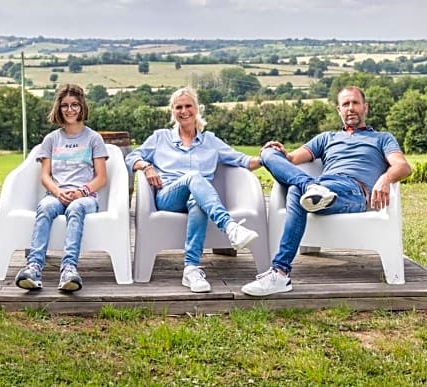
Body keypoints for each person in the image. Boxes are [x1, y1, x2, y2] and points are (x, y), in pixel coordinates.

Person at [241, 85, 412, 297]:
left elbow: (403, 166)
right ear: (338, 110)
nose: (350, 108)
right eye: (345, 104)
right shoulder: (326, 138)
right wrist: (277, 152)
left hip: (352, 190)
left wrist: (386, 178)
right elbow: (291, 160)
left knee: (297, 188)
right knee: (268, 153)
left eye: (355, 103)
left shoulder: (382, 138)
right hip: (321, 186)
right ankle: (310, 188)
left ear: (365, 107)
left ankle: (280, 273)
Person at [126, 87, 263, 293]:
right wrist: (146, 166)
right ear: (172, 111)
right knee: (193, 176)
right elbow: (130, 157)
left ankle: (191, 269)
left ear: (197, 108)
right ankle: (230, 227)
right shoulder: (160, 137)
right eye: (178, 107)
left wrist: (267, 156)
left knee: (197, 202)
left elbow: (242, 160)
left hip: (198, 198)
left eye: (188, 106)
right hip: (168, 196)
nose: (184, 111)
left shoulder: (211, 141)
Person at [15, 84, 108, 293]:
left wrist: (81, 192)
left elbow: (101, 178)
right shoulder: (51, 139)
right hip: (57, 194)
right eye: (65, 105)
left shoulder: (94, 138)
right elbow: (45, 176)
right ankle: (34, 267)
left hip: (85, 197)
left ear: (82, 107)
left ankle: (69, 269)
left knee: (76, 209)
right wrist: (58, 192)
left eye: (74, 105)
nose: (70, 110)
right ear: (59, 108)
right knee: (45, 207)